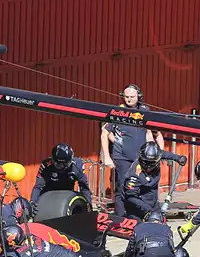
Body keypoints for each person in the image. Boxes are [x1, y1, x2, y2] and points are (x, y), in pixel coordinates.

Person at [100, 85, 163, 216]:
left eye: (132, 97)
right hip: (122, 158)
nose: (129, 99)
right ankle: (121, 217)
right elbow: (105, 133)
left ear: (139, 96)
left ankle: (142, 214)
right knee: (122, 188)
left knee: (144, 187)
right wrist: (107, 156)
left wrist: (159, 153)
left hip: (141, 158)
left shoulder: (145, 111)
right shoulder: (118, 111)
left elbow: (155, 133)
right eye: (126, 97)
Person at [120, 141, 187, 219]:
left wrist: (178, 158)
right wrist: (148, 209)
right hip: (138, 206)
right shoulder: (134, 174)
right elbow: (131, 196)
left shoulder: (157, 156)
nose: (148, 165)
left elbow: (163, 153)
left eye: (151, 162)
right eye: (146, 162)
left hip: (153, 201)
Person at [30, 143, 92, 212]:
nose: (62, 166)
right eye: (58, 164)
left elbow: (84, 187)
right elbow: (38, 186)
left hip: (67, 194)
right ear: (53, 160)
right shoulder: (45, 166)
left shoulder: (78, 165)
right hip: (49, 195)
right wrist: (33, 202)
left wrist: (88, 204)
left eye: (66, 163)